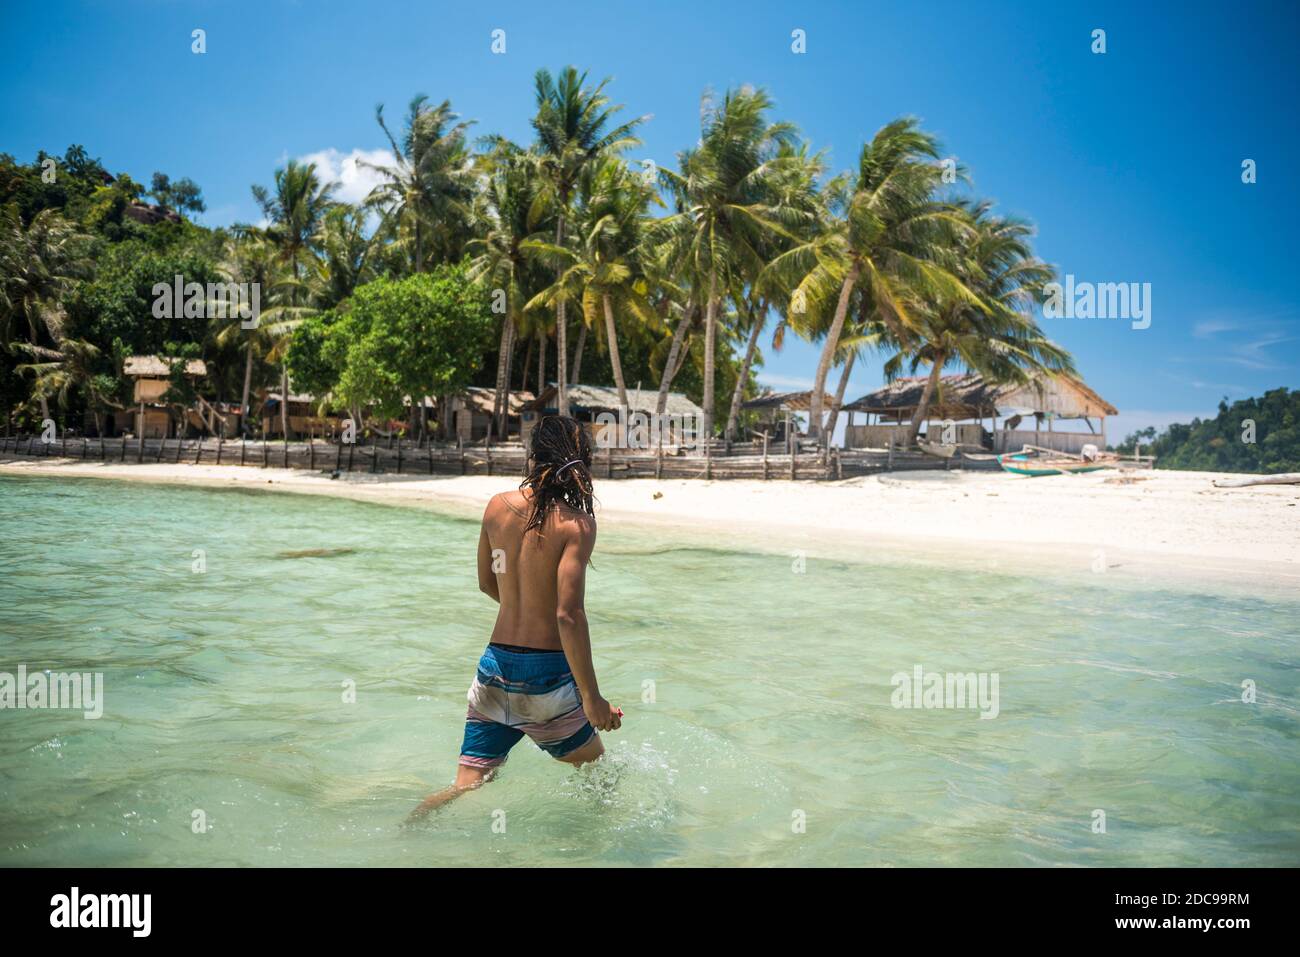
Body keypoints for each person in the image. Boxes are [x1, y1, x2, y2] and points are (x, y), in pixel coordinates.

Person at [407, 415, 621, 822]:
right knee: (600, 778)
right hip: (545, 679)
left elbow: (488, 583)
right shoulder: (577, 525)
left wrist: (521, 603)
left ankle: (404, 834)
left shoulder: (495, 508)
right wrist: (593, 700)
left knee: (462, 787)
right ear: (578, 460)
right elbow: (568, 614)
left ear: (533, 455)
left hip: (493, 671)